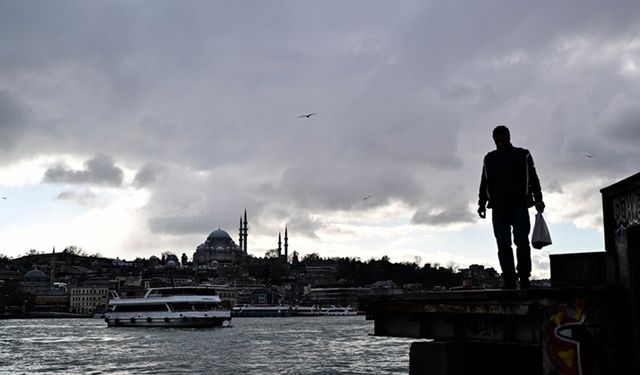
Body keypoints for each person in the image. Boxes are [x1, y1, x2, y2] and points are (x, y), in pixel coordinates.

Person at [477, 125, 545, 289]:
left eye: (502, 139)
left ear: (509, 137)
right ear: (493, 139)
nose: (499, 142)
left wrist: (538, 199)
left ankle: (523, 278)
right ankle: (509, 279)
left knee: (521, 241)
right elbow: (484, 181)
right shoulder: (489, 158)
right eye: (497, 140)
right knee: (503, 243)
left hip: (519, 205)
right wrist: (481, 203)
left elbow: (533, 178)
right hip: (499, 207)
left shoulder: (523, 154)